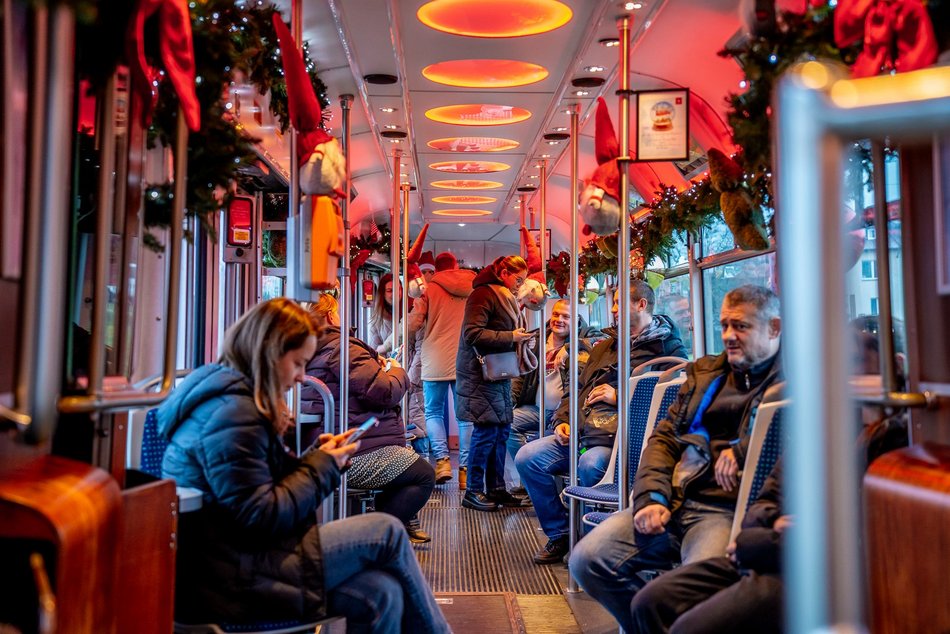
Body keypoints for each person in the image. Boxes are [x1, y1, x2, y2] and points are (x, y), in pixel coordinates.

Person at [156, 298, 450, 632]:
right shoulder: (234, 415)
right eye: (297, 363)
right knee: (387, 531)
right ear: (269, 352)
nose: (300, 377)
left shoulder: (227, 400)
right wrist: (320, 466)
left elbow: (256, 494)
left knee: (382, 593)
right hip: (233, 572)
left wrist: (316, 458)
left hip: (238, 557)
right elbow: (261, 515)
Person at [569, 285, 784, 630]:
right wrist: (651, 497)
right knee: (587, 559)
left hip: (723, 511)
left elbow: (784, 448)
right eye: (725, 325)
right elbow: (664, 439)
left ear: (774, 328)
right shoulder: (706, 374)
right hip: (675, 498)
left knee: (693, 597)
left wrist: (740, 450)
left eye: (741, 326)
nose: (729, 335)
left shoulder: (790, 383)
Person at [516, 280, 688, 564]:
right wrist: (563, 420)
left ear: (641, 305)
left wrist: (619, 396)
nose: (614, 309)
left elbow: (673, 399)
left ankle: (593, 547)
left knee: (591, 464)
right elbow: (577, 389)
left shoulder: (667, 348)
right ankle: (561, 533)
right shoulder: (605, 346)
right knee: (528, 457)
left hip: (622, 440)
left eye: (620, 302)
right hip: (585, 431)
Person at [303, 294, 436, 544]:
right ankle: (372, 536)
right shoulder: (341, 347)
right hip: (352, 451)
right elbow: (383, 391)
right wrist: (397, 371)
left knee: (406, 462)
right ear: (331, 315)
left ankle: (389, 525)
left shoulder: (304, 347)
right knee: (424, 474)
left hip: (318, 444)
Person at [455, 255, 537, 512]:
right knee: (486, 432)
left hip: (498, 371)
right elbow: (473, 333)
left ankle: (497, 488)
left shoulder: (502, 296)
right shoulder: (482, 295)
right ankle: (474, 491)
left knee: (500, 431)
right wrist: (511, 336)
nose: (519, 285)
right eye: (518, 279)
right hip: (480, 374)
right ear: (503, 273)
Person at [506, 298, 600, 491]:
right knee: (507, 422)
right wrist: (510, 402)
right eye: (556, 314)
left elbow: (601, 340)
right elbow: (522, 375)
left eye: (566, 316)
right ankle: (528, 484)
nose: (559, 320)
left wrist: (570, 347)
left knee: (564, 442)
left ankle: (546, 486)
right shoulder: (538, 339)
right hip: (536, 408)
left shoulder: (585, 335)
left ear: (576, 319)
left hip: (564, 412)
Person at [408, 251, 477, 487]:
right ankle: (465, 473)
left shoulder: (429, 289)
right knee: (465, 418)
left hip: (434, 358)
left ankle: (443, 462)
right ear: (456, 266)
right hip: (465, 358)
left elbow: (415, 321)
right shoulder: (473, 288)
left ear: (436, 270)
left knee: (433, 412)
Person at [368, 273, 397, 355]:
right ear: (383, 294)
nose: (394, 294)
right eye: (389, 291)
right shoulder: (377, 320)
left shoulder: (412, 313)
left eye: (397, 289)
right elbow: (376, 352)